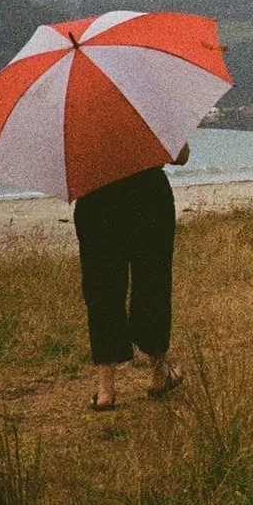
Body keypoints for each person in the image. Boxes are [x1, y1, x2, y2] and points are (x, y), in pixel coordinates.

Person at [75, 143, 187, 410]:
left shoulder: (76, 112)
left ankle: (105, 390)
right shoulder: (148, 104)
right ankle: (159, 373)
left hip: (96, 199)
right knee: (152, 284)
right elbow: (181, 156)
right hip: (148, 198)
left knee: (102, 291)